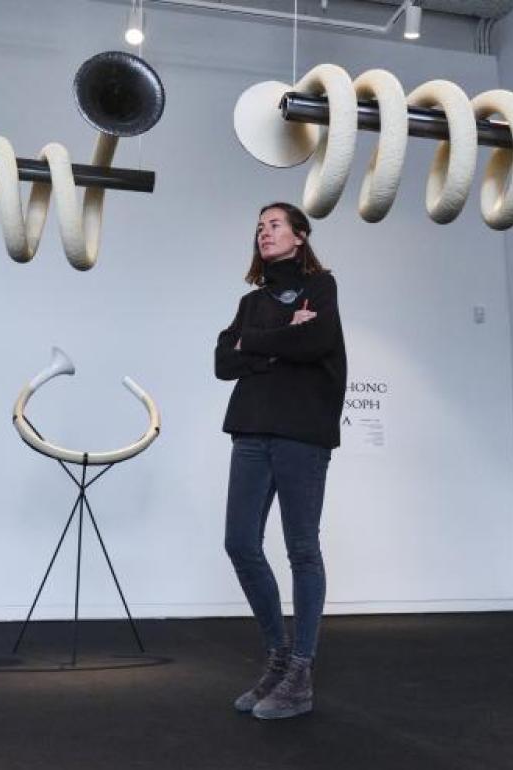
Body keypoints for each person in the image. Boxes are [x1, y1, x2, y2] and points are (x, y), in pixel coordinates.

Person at [214, 201, 347, 720]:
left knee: (301, 549)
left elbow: (316, 341)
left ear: (299, 235)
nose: (264, 233)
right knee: (240, 542)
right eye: (259, 227)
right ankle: (278, 656)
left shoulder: (321, 287)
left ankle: (300, 674)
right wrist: (281, 339)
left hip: (302, 434)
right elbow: (223, 361)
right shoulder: (251, 302)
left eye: (273, 225)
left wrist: (255, 345)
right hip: (251, 430)